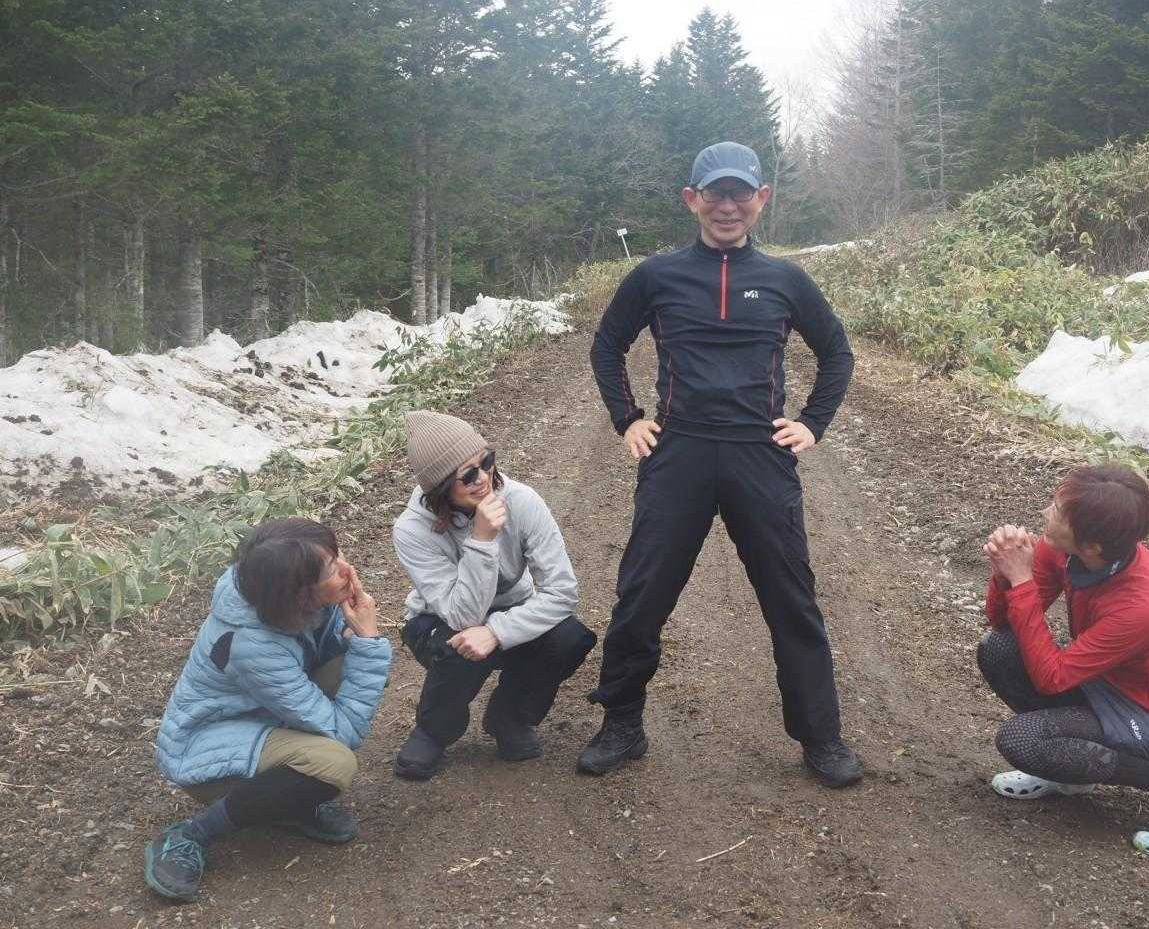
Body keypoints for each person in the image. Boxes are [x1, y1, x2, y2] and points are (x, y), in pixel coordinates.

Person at [580, 140, 862, 787]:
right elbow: (607, 345)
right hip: (677, 451)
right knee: (642, 593)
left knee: (791, 599)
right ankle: (621, 722)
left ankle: (820, 737)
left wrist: (812, 423)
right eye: (716, 193)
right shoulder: (657, 276)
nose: (728, 206)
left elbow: (837, 353)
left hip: (759, 455)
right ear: (692, 200)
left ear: (762, 198)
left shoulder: (787, 280)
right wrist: (628, 419)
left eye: (740, 193)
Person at [979, 464, 1149, 860]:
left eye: (1058, 511)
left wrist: (1021, 581)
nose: (1045, 513)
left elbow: (1051, 678)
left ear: (1092, 546)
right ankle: (1068, 774)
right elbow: (1003, 622)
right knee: (999, 649)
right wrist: (1004, 575)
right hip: (1103, 686)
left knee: (1021, 739)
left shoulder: (1142, 604)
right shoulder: (1064, 551)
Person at [146, 519, 392, 902]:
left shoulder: (280, 596)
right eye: (332, 568)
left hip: (261, 717)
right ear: (299, 595)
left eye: (337, 553)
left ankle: (287, 804)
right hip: (207, 752)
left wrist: (355, 641)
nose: (348, 568)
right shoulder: (252, 644)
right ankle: (192, 834)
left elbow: (326, 661)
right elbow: (345, 731)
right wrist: (369, 640)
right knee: (334, 763)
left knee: (354, 662)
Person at [391, 410, 596, 779]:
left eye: (486, 461)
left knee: (570, 637)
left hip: (510, 612)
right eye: (468, 475)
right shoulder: (411, 530)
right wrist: (482, 540)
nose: (484, 478)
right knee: (459, 643)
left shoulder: (522, 501)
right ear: (440, 488)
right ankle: (434, 731)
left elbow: (563, 593)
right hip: (439, 620)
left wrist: (497, 631)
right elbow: (462, 616)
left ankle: (510, 717)